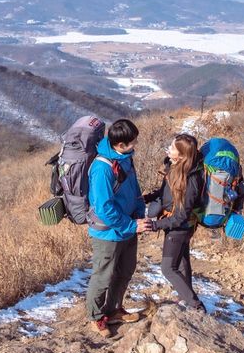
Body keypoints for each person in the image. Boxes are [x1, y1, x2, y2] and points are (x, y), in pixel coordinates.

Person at [85, 119, 153, 338]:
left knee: (125, 271)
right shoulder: (102, 168)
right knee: (103, 276)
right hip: (108, 232)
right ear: (120, 144)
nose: (135, 144)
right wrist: (131, 224)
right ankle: (95, 317)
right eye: (132, 142)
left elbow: (134, 188)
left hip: (128, 227)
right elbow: (104, 207)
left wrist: (140, 211)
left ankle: (114, 309)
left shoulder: (125, 158)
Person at [143, 133, 206, 312]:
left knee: (168, 268)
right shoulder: (175, 169)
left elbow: (181, 216)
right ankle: (187, 299)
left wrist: (154, 225)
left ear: (181, 155)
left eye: (172, 148)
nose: (168, 150)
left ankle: (196, 305)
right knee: (181, 262)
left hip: (179, 228)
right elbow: (165, 192)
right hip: (176, 225)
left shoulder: (190, 179)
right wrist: (147, 197)